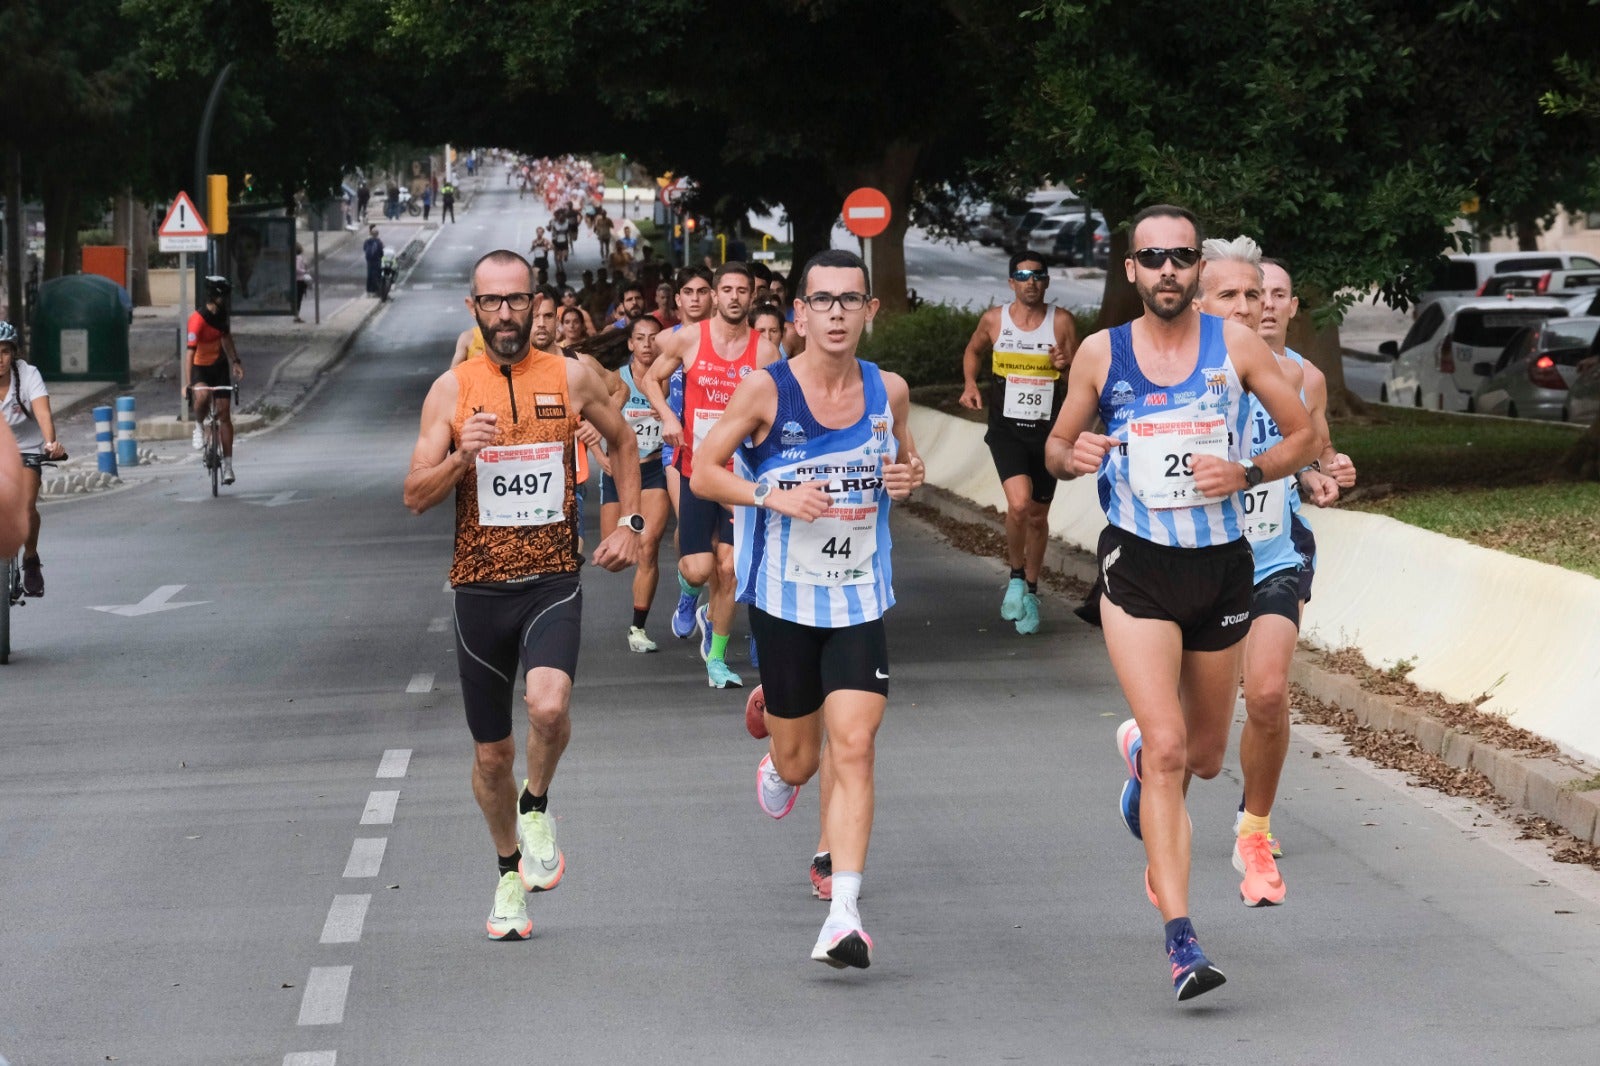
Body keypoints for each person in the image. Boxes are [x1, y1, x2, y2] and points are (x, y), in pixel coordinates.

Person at [1043, 205, 1316, 1001]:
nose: (1167, 269)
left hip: (1222, 569)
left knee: (1203, 756)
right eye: (1151, 257)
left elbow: (1301, 437)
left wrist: (1249, 472)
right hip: (1139, 569)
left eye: (1180, 257)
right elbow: (1058, 447)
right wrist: (1075, 452)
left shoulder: (1233, 344)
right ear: (1130, 269)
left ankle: (1139, 759)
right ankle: (1182, 940)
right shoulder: (1101, 353)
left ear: (1197, 268)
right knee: (1170, 749)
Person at [691, 248, 925, 969]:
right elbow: (702, 472)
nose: (835, 313)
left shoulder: (890, 391)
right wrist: (769, 494)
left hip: (857, 597)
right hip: (785, 602)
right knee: (799, 766)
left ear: (869, 311)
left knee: (853, 746)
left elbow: (907, 467)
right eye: (821, 301)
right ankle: (777, 734)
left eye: (849, 301)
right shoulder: (766, 390)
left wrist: (910, 477)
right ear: (799, 314)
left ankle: (844, 914)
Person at [402, 250, 643, 941]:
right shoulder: (451, 391)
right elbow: (415, 496)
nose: (506, 314)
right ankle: (509, 874)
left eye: (517, 301)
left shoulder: (570, 377)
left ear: (536, 304)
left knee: (549, 702)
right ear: (473, 310)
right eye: (492, 302)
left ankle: (538, 806)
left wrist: (631, 523)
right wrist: (460, 457)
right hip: (479, 588)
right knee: (490, 758)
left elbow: (626, 445)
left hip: (551, 581)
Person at [1225, 251, 1356, 898]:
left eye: (1272, 294)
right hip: (1201, 562)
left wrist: (1324, 472)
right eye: (1249, 294)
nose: (1262, 306)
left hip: (1274, 555)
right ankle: (1146, 742)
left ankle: (1255, 826)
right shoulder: (1190, 373)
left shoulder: (1303, 378)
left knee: (1269, 693)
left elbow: (1312, 448)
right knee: (1196, 735)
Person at [641, 262, 780, 688]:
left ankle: (716, 660)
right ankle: (690, 595)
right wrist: (667, 415)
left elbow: (778, 409)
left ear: (751, 298)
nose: (735, 297)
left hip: (741, 476)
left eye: (743, 290)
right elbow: (650, 377)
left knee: (729, 567)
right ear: (715, 296)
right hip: (696, 469)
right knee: (700, 567)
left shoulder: (765, 352)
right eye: (728, 290)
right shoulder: (689, 338)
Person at [959, 252, 1076, 635]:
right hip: (1007, 430)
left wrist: (1064, 365)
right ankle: (1014, 574)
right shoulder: (995, 320)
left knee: (1039, 517)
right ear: (1011, 282)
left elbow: (1081, 373)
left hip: (1047, 434)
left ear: (1047, 282)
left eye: (1038, 276)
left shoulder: (1061, 322)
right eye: (1023, 276)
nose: (1031, 282)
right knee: (1019, 503)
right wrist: (971, 385)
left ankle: (1030, 588)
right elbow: (973, 350)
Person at [597, 315, 672, 652]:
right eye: (639, 338)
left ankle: (637, 629)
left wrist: (671, 415)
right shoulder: (615, 380)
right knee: (609, 555)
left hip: (654, 469)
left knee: (648, 544)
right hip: (617, 472)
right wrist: (602, 460)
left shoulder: (671, 380)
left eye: (653, 338)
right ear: (629, 343)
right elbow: (587, 423)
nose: (646, 345)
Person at [0, 322, 67, 595]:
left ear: (13, 353)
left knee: (26, 507)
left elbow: (42, 414)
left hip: (27, 449)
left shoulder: (28, 375)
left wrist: (51, 443)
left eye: (4, 351)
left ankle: (30, 558)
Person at [186, 277, 245, 485]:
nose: (226, 300)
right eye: (223, 296)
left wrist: (235, 361)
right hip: (200, 367)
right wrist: (187, 384)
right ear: (214, 296)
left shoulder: (222, 315)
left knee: (224, 414)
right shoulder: (197, 319)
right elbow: (189, 352)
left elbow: (226, 338)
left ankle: (228, 467)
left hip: (219, 367)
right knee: (202, 397)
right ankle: (199, 426)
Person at [293, 244, 312, 323]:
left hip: (295, 280)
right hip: (300, 280)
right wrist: (305, 271)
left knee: (297, 298)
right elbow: (297, 268)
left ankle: (296, 315)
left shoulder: (294, 257)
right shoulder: (299, 258)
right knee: (299, 299)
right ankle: (296, 316)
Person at [363, 225, 384, 296]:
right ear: (377, 234)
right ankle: (376, 290)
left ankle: (369, 290)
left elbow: (364, 248)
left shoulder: (367, 241)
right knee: (377, 275)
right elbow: (381, 252)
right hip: (377, 260)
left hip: (369, 260)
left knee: (369, 275)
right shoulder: (379, 242)